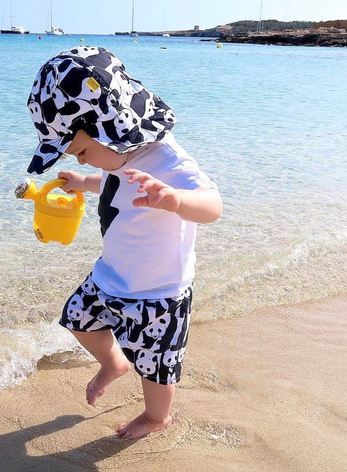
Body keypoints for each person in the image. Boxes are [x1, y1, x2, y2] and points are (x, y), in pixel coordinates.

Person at [26, 46, 223, 439]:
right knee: (78, 319)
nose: (80, 160)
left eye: (81, 151)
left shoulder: (169, 163)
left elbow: (213, 206)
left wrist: (175, 199)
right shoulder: (118, 158)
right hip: (111, 276)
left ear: (107, 129)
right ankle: (114, 362)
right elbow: (115, 182)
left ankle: (156, 417)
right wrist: (86, 182)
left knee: (157, 367)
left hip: (160, 292)